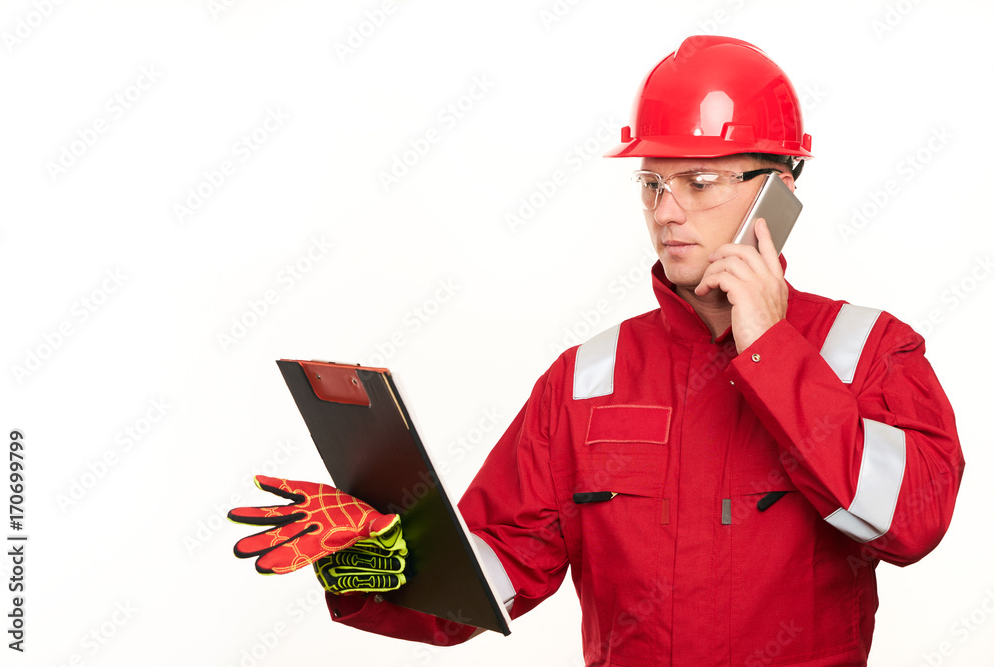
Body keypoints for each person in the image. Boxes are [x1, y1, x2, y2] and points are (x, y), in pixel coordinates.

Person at [230, 35, 965, 666]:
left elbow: (913, 523)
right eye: (651, 183)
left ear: (777, 189)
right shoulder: (586, 381)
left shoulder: (869, 352)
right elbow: (494, 571)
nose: (666, 210)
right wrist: (380, 557)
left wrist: (774, 352)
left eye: (698, 180)